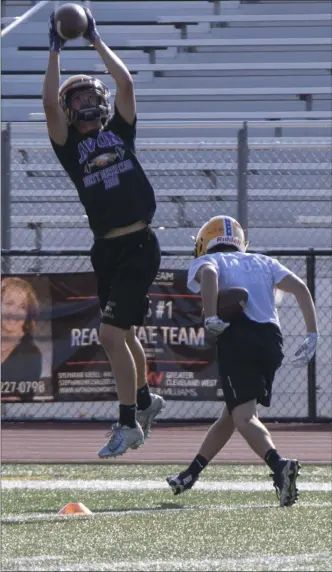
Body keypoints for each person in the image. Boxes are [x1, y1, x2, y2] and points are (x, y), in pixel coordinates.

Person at [42, 7, 165, 458]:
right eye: (75, 100)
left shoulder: (120, 132)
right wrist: (55, 47)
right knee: (125, 334)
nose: (83, 102)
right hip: (105, 249)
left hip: (138, 241)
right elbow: (48, 105)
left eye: (87, 95)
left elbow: (127, 84)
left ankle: (128, 422)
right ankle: (147, 402)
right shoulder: (71, 149)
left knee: (111, 335)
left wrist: (94, 38)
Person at [167, 216, 319, 507]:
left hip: (239, 337)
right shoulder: (263, 261)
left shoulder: (207, 261)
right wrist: (312, 333)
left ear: (203, 242)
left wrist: (211, 316)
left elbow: (210, 274)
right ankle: (191, 473)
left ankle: (280, 465)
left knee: (244, 418)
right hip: (271, 341)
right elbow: (300, 287)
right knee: (232, 413)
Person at [1, 277, 42, 384]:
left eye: (22, 307)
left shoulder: (32, 354)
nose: (15, 312)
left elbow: (18, 398)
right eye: (9, 303)